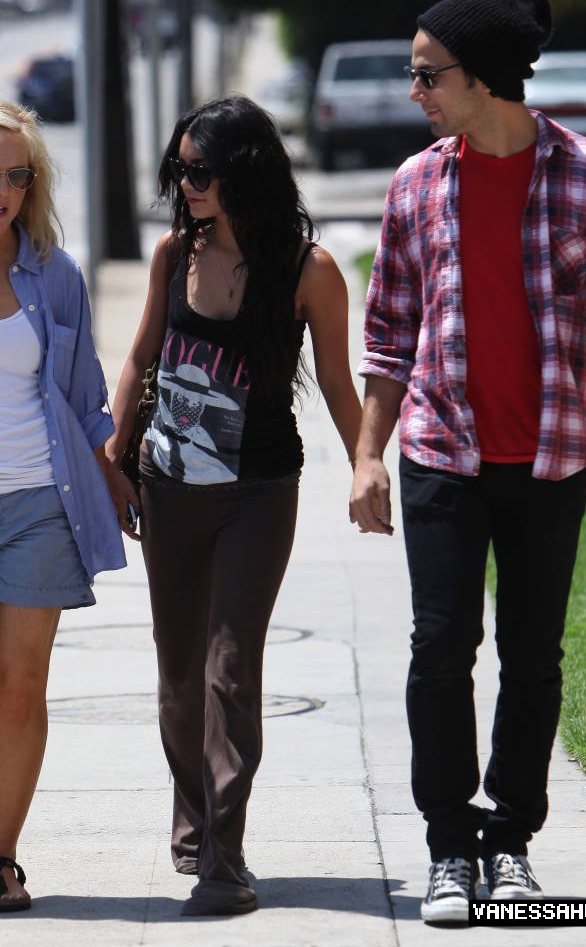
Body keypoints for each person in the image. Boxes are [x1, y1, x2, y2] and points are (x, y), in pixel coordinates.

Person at [349, 0, 586, 925]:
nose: (414, 92)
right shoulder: (415, 184)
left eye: (425, 75)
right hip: (441, 451)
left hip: (549, 457)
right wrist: (368, 455)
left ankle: (510, 842)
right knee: (440, 648)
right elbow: (388, 334)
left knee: (532, 657)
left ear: (481, 77)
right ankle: (450, 845)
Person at [105, 95, 362, 917]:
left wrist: (369, 465)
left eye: (202, 171)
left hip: (258, 488)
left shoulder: (306, 271)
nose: (187, 185)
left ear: (245, 170)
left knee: (228, 666)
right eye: (179, 170)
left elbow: (333, 383)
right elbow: (140, 359)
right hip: (168, 486)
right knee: (177, 672)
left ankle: (225, 852)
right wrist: (113, 458)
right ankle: (194, 819)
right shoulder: (172, 254)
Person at [0, 101, 126, 912]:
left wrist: (119, 474)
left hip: (41, 499)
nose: (4, 190)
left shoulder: (53, 271)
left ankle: (1, 856)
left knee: (20, 683)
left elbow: (85, 396)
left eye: (17, 175)